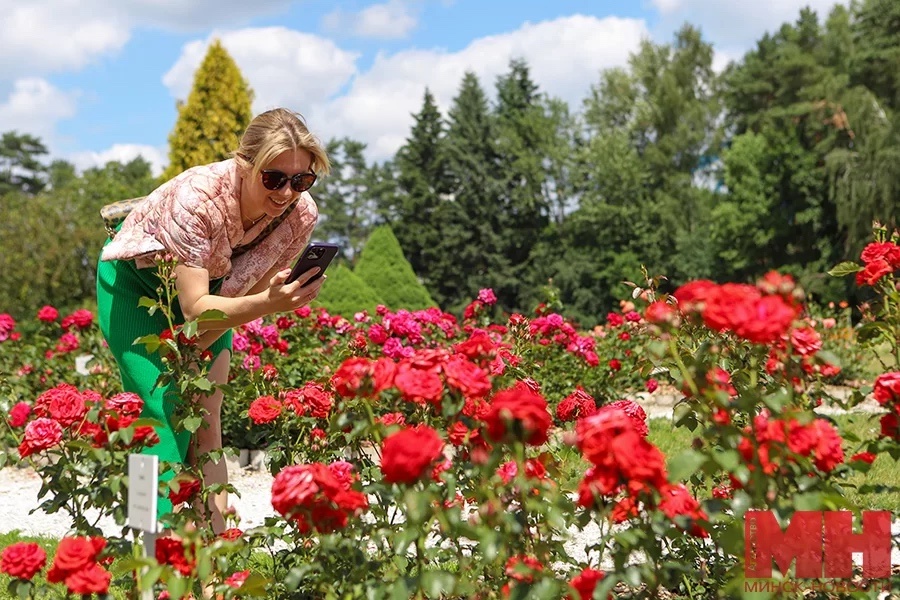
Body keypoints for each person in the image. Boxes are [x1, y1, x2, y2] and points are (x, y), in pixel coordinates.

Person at [96, 108, 330, 534]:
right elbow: (194, 309)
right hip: (137, 286)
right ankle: (152, 562)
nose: (287, 192)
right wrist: (270, 304)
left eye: (301, 180)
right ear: (244, 164)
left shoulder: (300, 215)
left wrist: (262, 306)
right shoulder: (198, 197)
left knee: (206, 422)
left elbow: (246, 297)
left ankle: (215, 569)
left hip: (214, 295)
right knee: (156, 420)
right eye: (274, 178)